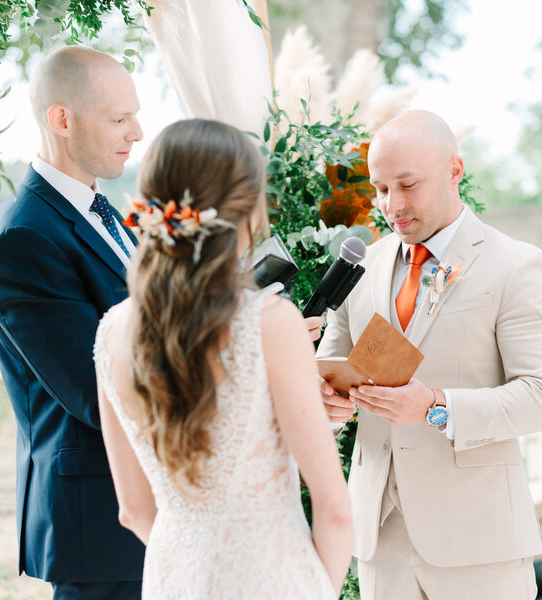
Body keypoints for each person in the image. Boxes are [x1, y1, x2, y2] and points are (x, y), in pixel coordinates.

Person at [93, 118, 352, 599]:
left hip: (174, 580)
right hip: (274, 583)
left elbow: (134, 510)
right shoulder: (270, 321)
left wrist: (199, 558)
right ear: (250, 211)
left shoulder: (112, 331)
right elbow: (335, 512)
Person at [316, 109, 542, 600]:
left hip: (479, 541)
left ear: (455, 169)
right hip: (380, 540)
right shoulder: (362, 267)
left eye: (408, 185)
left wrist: (436, 405)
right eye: (381, 189)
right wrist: (327, 406)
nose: (392, 204)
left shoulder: (517, 265)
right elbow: (331, 374)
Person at [0, 47, 145, 598]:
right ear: (61, 119)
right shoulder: (24, 238)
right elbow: (94, 388)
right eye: (119, 118)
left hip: (148, 507)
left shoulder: (102, 211)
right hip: (100, 520)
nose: (138, 132)